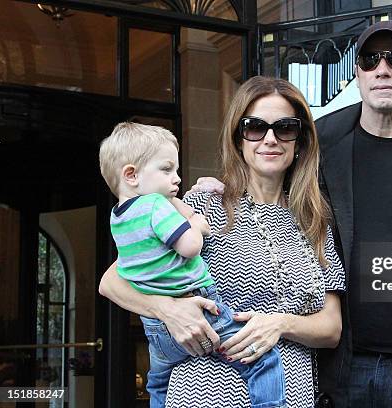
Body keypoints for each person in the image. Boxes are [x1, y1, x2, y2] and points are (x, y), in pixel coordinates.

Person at [191, 21, 392, 408]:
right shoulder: (321, 150)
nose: (383, 69)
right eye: (370, 60)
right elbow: (263, 177)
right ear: (357, 74)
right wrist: (214, 191)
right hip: (333, 374)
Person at [98, 76, 345, 408]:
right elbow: (113, 280)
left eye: (285, 127)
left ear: (300, 140)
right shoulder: (203, 204)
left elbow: (331, 328)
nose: (270, 139)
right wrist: (169, 311)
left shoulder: (314, 220)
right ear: (238, 137)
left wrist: (279, 324)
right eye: (255, 127)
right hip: (207, 392)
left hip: (293, 395)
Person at [98, 122, 287, 408]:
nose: (176, 178)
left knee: (158, 381)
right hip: (200, 311)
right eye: (166, 169)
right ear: (132, 174)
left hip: (156, 331)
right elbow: (191, 246)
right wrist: (196, 223)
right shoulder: (154, 206)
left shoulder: (119, 217)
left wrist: (189, 198)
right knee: (263, 361)